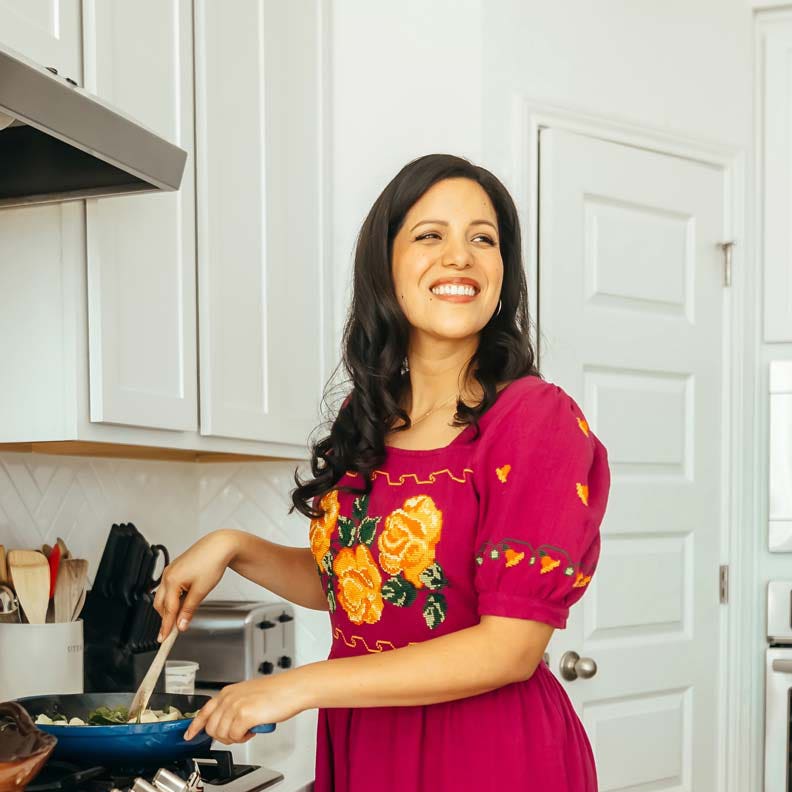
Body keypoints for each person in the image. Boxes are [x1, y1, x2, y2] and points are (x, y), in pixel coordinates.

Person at [154, 153, 611, 791]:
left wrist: (297, 687)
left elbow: (510, 648)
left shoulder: (534, 420)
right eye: (431, 235)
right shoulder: (367, 415)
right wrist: (233, 547)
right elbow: (364, 587)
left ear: (504, 272)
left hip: (487, 756)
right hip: (367, 743)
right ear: (385, 265)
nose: (460, 256)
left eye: (484, 238)